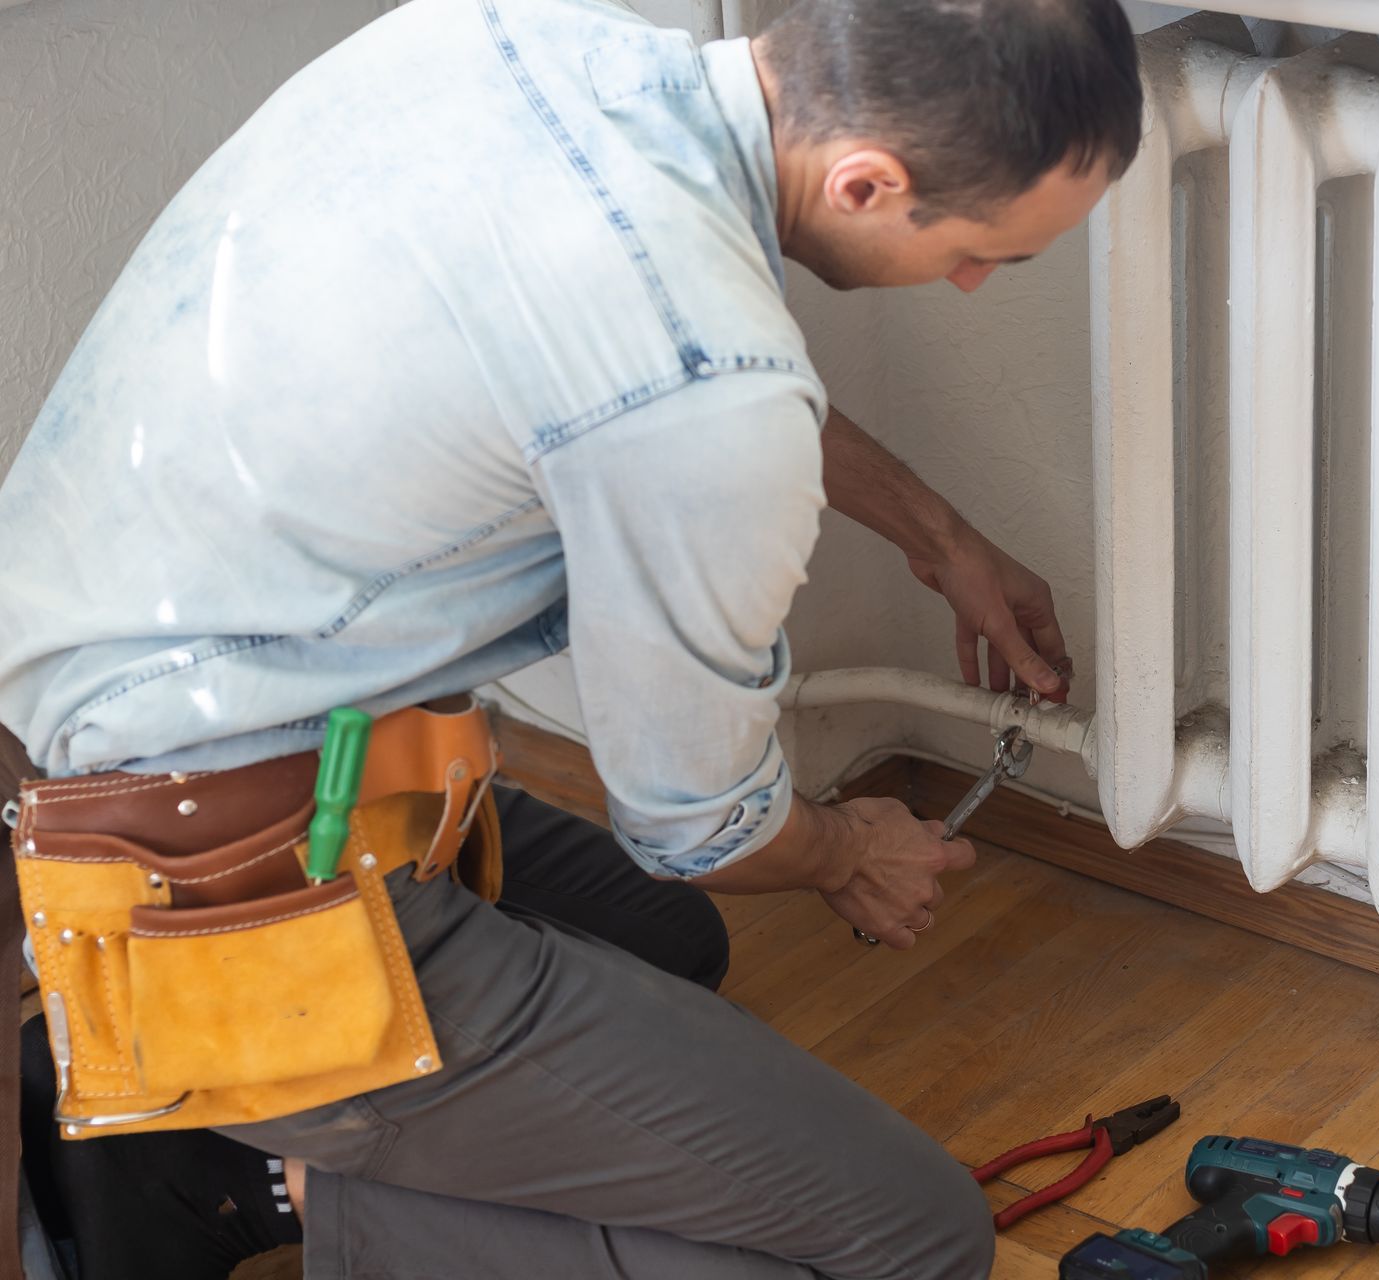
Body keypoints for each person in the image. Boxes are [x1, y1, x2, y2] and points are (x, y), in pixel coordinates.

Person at [0, 0, 1143, 1276]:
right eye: (988, 252)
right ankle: (238, 1173)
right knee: (912, 1234)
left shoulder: (499, 42)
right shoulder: (712, 391)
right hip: (223, 882)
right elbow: (701, 823)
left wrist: (936, 532)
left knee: (669, 942)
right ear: (869, 182)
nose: (977, 283)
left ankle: (185, 1106)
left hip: (104, 717)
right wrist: (850, 849)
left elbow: (636, 371)